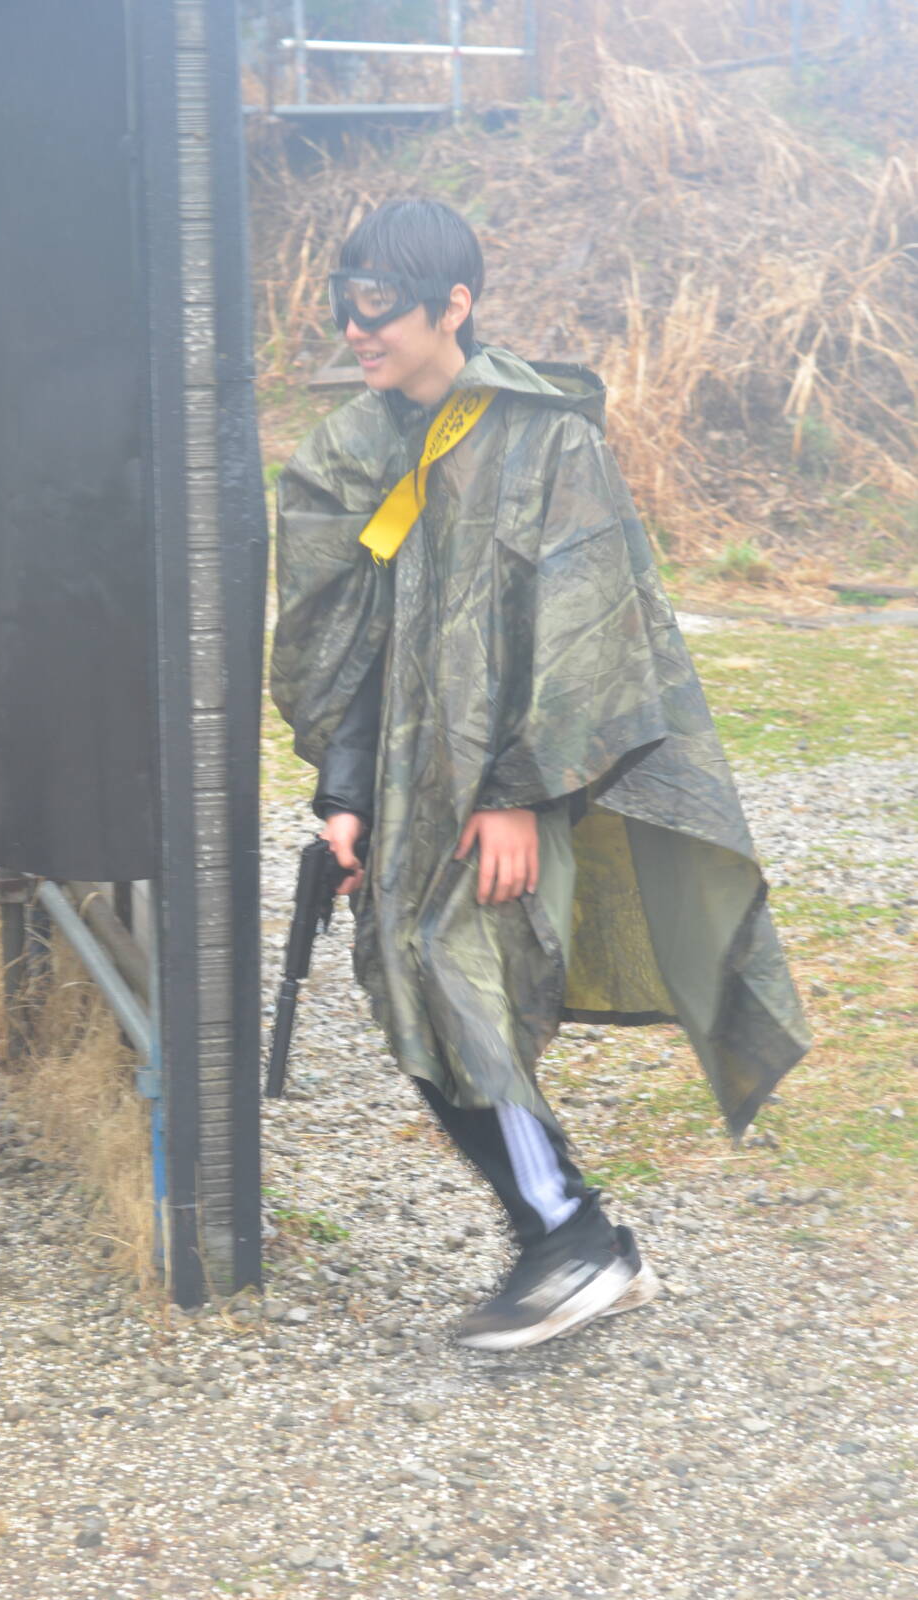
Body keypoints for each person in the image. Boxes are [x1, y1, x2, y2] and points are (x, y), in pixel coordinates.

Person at [271, 198, 809, 1352]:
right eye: (346, 304)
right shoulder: (354, 450)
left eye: (380, 306)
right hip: (407, 788)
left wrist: (517, 793)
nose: (357, 330)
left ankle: (574, 1239)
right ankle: (570, 1238)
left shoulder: (545, 441)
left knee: (452, 969)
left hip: (521, 782)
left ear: (452, 305)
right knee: (405, 978)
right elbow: (350, 646)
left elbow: (590, 628)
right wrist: (345, 797)